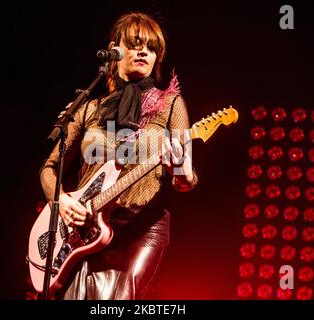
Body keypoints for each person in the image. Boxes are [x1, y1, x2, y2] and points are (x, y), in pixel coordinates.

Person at [39, 12, 198, 300]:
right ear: (115, 49)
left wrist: (182, 173)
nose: (144, 53)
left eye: (152, 48)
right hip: (84, 228)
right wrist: (61, 200)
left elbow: (186, 180)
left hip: (142, 229)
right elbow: (49, 168)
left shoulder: (170, 105)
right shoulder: (90, 108)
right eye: (136, 44)